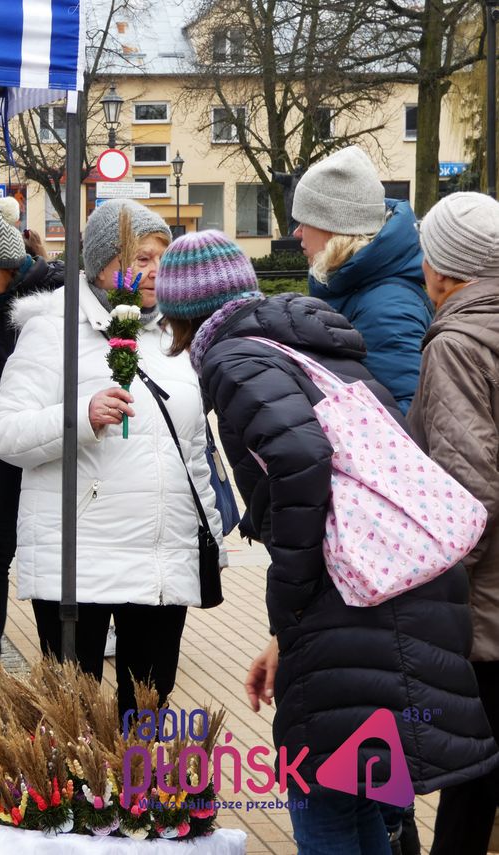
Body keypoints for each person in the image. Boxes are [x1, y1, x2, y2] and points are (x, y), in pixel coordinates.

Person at [155, 229, 498, 855]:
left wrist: (289, 601)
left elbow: (299, 457)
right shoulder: (311, 349)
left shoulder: (233, 360)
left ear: (180, 312)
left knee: (321, 797)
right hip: (400, 593)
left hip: (353, 606)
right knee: (359, 794)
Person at [0, 200, 222, 710]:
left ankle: (139, 793)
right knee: (72, 719)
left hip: (161, 558)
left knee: (148, 707)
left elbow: (192, 452)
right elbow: (2, 432)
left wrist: (210, 539)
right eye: (141, 258)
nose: (156, 270)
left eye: (163, 257)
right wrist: (79, 417)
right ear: (101, 263)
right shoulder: (54, 330)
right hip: (80, 555)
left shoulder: (177, 336)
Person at [408, 192, 499, 855]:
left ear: (445, 269)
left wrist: (432, 601)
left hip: (488, 613)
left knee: (471, 790)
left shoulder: (460, 343)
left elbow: (469, 490)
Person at [0, 210, 64, 657]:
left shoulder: (59, 297)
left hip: (51, 438)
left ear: (5, 264)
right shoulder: (1, 301)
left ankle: (60, 657)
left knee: (49, 551)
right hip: (5, 437)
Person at [292, 145, 432, 414]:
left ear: (334, 227)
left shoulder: (387, 308)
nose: (297, 232)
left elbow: (407, 418)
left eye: (304, 221)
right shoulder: (360, 289)